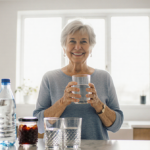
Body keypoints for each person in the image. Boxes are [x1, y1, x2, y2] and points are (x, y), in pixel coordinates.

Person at [33, 20, 124, 140]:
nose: (77, 47)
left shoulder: (104, 77)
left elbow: (116, 126)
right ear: (64, 47)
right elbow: (39, 125)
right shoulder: (50, 78)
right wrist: (63, 102)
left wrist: (98, 104)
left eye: (83, 42)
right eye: (72, 41)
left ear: (90, 48)